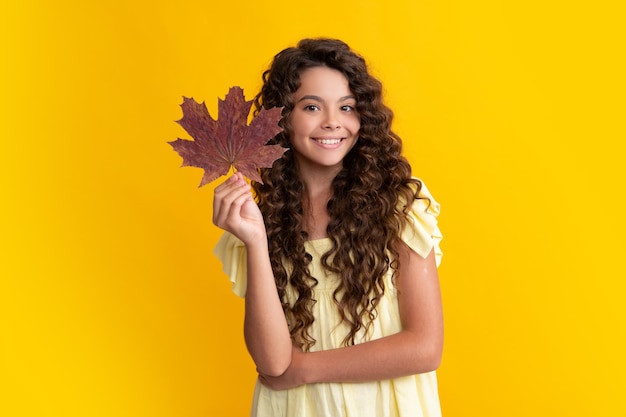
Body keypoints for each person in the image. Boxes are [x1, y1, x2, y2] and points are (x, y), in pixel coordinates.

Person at [212, 38, 444, 417]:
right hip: (296, 408)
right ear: (282, 117)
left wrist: (304, 368)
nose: (333, 121)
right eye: (312, 106)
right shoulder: (262, 217)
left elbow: (425, 347)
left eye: (347, 107)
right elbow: (272, 363)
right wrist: (255, 240)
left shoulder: (397, 205)